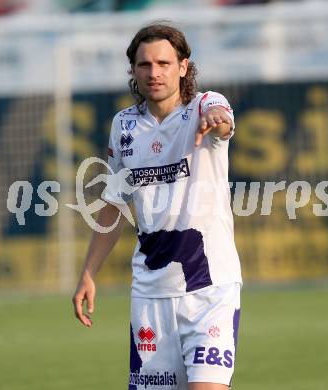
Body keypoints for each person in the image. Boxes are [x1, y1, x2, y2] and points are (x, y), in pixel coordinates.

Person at [73, 22, 242, 390]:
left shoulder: (204, 106)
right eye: (145, 65)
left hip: (209, 289)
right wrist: (89, 272)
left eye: (164, 63)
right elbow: (115, 204)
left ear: (183, 66)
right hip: (151, 295)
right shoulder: (123, 126)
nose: (155, 72)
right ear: (133, 70)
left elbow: (223, 119)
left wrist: (218, 120)